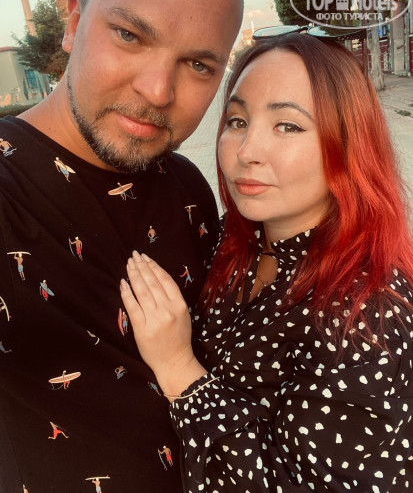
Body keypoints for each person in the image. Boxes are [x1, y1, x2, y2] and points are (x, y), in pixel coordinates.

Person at [0, 0, 248, 491]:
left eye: (198, 65)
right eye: (130, 35)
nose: (157, 91)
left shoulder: (187, 187)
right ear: (74, 23)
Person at [121, 33, 413, 492]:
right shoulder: (231, 241)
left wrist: (178, 368)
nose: (246, 151)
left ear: (349, 144)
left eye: (288, 126)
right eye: (237, 121)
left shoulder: (366, 312)